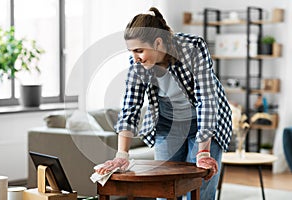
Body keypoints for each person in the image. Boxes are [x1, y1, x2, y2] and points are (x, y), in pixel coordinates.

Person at [95, 7, 232, 200]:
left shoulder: (192, 48)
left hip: (205, 121)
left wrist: (203, 151)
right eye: (131, 52)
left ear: (158, 43)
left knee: (200, 187)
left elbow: (206, 99)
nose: (134, 57)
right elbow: (130, 109)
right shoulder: (138, 65)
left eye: (139, 50)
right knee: (163, 188)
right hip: (169, 124)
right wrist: (121, 156)